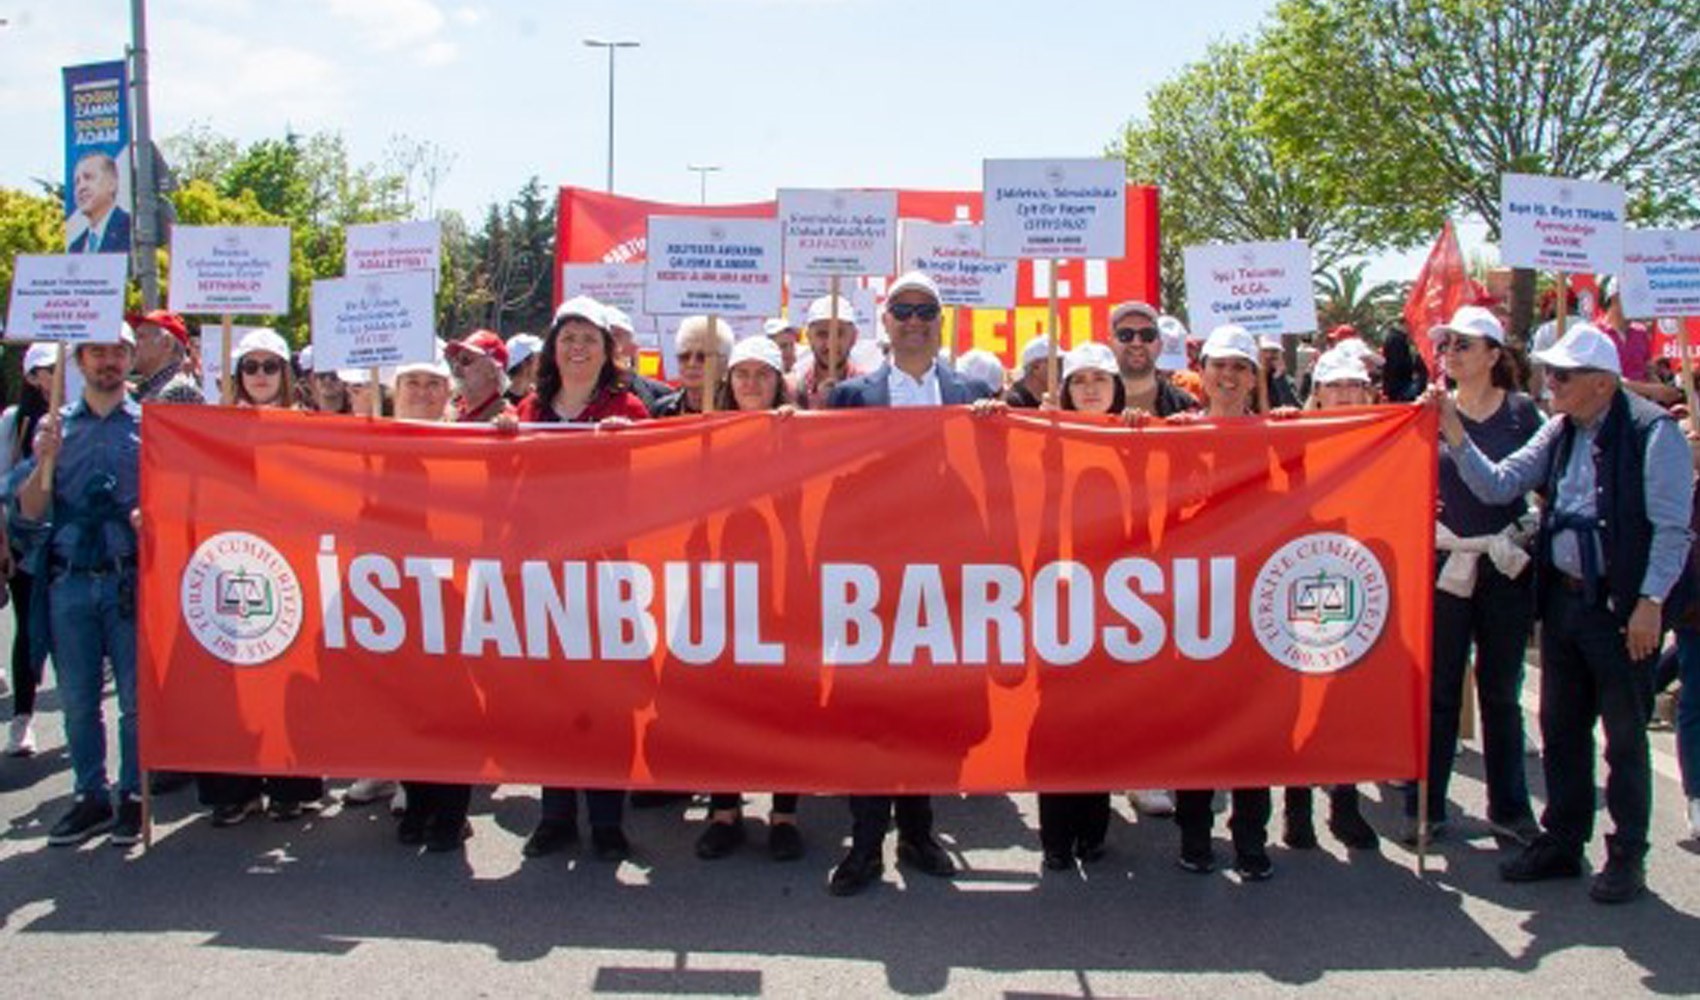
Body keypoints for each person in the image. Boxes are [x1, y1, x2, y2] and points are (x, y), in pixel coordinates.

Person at [1429, 321, 1694, 904]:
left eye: (1564, 376)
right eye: (1550, 372)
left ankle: (1627, 853)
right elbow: (1501, 485)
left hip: (1621, 608)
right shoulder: (1559, 430)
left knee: (1623, 735)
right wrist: (1454, 433)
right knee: (1561, 727)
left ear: (1602, 384)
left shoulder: (1655, 436)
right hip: (1564, 599)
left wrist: (1651, 603)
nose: (1551, 384)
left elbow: (1673, 530)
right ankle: (1564, 841)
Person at [823, 270, 995, 896]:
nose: (916, 320)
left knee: (931, 713)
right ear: (886, 321)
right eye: (904, 310)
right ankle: (864, 846)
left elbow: (1008, 475)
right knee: (870, 717)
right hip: (869, 583)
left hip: (944, 581)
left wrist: (999, 423)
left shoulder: (974, 393)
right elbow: (822, 484)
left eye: (927, 311)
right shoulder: (847, 397)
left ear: (941, 322)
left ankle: (919, 833)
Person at [1401, 306, 1545, 849]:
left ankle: (1509, 809)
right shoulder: (1428, 412)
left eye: (1464, 344)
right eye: (1447, 345)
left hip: (1503, 564)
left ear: (1493, 354)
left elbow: (1525, 484)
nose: (1452, 353)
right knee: (1439, 688)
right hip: (1445, 564)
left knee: (1500, 690)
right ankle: (1427, 805)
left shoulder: (1523, 414)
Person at [515, 296, 647, 862]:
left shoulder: (629, 407)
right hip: (545, 574)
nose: (577, 349)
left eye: (589, 339)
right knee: (551, 701)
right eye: (568, 338)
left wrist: (631, 446)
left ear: (607, 350)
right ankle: (555, 813)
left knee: (606, 700)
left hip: (606, 574)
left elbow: (653, 483)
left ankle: (607, 818)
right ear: (552, 349)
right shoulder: (528, 409)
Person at [11, 325, 143, 846]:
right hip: (68, 582)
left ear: (130, 358)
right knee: (77, 698)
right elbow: (28, 510)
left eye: (116, 352)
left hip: (129, 578)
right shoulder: (55, 428)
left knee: (135, 700)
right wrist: (42, 461)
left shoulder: (153, 426)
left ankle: (133, 793)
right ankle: (91, 794)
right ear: (80, 360)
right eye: (96, 353)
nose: (107, 362)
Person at [198, 329, 328, 824]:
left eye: (269, 366)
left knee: (287, 682)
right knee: (233, 683)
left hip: (291, 566)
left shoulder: (310, 427)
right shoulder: (211, 429)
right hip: (233, 565)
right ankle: (236, 787)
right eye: (249, 367)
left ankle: (292, 786)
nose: (259, 376)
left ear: (286, 374)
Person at [1162, 324, 1276, 880]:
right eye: (1219, 366)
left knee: (1256, 727)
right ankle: (1195, 835)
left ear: (1255, 377)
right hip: (1196, 603)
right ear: (1201, 373)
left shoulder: (1278, 437)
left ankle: (1252, 839)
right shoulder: (1178, 433)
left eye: (1240, 367)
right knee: (1196, 724)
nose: (1228, 377)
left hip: (1257, 603)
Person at [692, 336, 808, 862]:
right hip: (721, 585)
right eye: (742, 375)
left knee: (784, 704)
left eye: (764, 374)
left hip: (785, 580)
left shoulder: (799, 433)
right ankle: (725, 809)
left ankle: (784, 813)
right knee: (724, 704)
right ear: (728, 382)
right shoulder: (706, 435)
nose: (752, 384)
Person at [1277, 347, 1384, 853]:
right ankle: (1296, 807)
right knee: (1301, 697)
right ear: (1316, 393)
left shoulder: (1387, 439)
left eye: (1354, 386)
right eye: (1335, 385)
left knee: (1351, 700)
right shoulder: (1295, 440)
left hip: (1365, 582)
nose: (1345, 394)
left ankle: (1346, 804)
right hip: (1301, 580)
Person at [1033, 341, 1123, 869]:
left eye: (1100, 380)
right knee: (1054, 720)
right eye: (1080, 379)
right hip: (1056, 598)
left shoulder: (1137, 438)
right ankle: (1055, 837)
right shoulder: (1043, 438)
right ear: (1065, 388)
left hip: (1115, 601)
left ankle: (1094, 827)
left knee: (1101, 719)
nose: (1090, 388)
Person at [385, 344, 477, 852]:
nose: (422, 392)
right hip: (393, 600)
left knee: (454, 708)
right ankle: (417, 801)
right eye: (411, 383)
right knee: (406, 706)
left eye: (432, 383)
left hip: (454, 598)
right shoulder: (369, 444)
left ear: (448, 392)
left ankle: (451, 810)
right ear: (395, 392)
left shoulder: (469, 443)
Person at [0, 344, 56, 756]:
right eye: (48, 369)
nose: (56, 374)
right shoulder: (13, 423)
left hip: (69, 541)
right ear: (33, 376)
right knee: (28, 627)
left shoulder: (80, 413)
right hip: (24, 542)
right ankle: (23, 717)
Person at [1111, 302, 1197, 418]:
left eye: (1147, 335)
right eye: (1125, 335)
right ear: (1111, 343)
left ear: (1160, 345)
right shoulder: (1087, 401)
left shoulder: (1184, 405)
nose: (1136, 343)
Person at [791, 295, 866, 410]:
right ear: (809, 337)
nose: (830, 344)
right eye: (822, 334)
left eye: (839, 334)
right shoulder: (793, 388)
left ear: (854, 337)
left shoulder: (869, 389)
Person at [654, 316, 732, 418]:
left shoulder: (739, 408)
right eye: (684, 356)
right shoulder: (663, 410)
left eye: (702, 357)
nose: (691, 364)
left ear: (725, 363)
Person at [603, 308, 671, 415]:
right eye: (603, 337)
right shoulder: (574, 394)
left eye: (615, 336)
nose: (608, 344)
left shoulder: (662, 397)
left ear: (633, 347)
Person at [127, 311, 202, 403]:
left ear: (167, 343)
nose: (134, 344)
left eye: (140, 337)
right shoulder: (154, 388)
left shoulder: (178, 391)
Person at [66, 152, 130, 254]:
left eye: (88, 178)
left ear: (112, 184)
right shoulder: (75, 247)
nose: (81, 187)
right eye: (77, 182)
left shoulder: (131, 229)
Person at [445, 329, 514, 422]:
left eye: (465, 360)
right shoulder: (451, 413)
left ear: (492, 370)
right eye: (456, 359)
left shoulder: (504, 419)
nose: (456, 367)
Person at [230, 329, 296, 409]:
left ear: (284, 372)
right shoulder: (223, 419)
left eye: (270, 367)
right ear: (240, 373)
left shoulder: (303, 420)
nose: (260, 374)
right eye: (251, 367)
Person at [1004, 335, 1051, 408]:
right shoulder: (1012, 403)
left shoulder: (1059, 399)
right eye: (1058, 363)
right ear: (1036, 366)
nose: (1063, 367)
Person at [1260, 334, 1302, 409]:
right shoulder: (1250, 378)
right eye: (1265, 351)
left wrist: (1279, 379)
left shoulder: (1287, 380)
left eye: (1274, 351)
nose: (1269, 356)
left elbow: (1295, 408)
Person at [504, 333, 543, 406]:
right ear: (524, 364)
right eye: (539, 358)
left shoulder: (540, 398)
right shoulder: (498, 404)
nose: (543, 363)